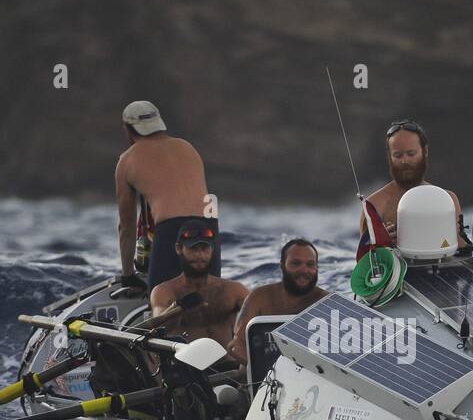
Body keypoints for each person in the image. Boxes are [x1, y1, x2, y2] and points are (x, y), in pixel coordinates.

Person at [114, 101, 222, 295]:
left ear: (128, 130)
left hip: (172, 229)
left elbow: (127, 227)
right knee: (210, 302)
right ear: (159, 123)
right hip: (209, 227)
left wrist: (128, 275)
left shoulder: (127, 161)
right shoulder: (187, 147)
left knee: (160, 301)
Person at [358, 119, 471, 253]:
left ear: (425, 151)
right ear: (390, 157)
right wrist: (381, 244)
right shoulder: (374, 206)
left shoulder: (448, 200)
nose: (405, 161)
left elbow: (464, 254)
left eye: (411, 154)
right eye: (397, 155)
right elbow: (364, 264)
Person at [149, 222, 248, 350]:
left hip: (227, 365)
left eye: (204, 249)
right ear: (178, 248)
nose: (200, 255)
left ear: (212, 249)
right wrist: (179, 307)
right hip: (186, 366)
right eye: (193, 249)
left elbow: (259, 314)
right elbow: (160, 328)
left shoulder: (233, 290)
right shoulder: (164, 292)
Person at [229, 238, 328, 366]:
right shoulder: (259, 297)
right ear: (282, 265)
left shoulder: (327, 302)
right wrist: (266, 369)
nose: (304, 270)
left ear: (317, 268)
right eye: (296, 263)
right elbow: (237, 345)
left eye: (310, 264)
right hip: (267, 381)